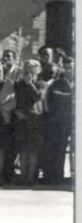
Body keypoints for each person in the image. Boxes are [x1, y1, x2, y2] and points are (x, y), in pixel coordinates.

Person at [13, 60, 46, 186]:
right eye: (26, 71)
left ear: (37, 71)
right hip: (21, 120)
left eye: (31, 71)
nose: (28, 73)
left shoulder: (41, 84)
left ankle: (31, 178)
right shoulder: (18, 84)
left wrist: (30, 84)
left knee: (32, 150)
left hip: (34, 121)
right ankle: (22, 177)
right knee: (23, 150)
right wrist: (16, 111)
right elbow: (14, 99)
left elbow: (38, 97)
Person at [43, 56, 74, 185]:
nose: (68, 70)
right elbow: (48, 102)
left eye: (71, 68)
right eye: (66, 68)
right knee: (59, 149)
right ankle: (57, 177)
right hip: (60, 122)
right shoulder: (56, 84)